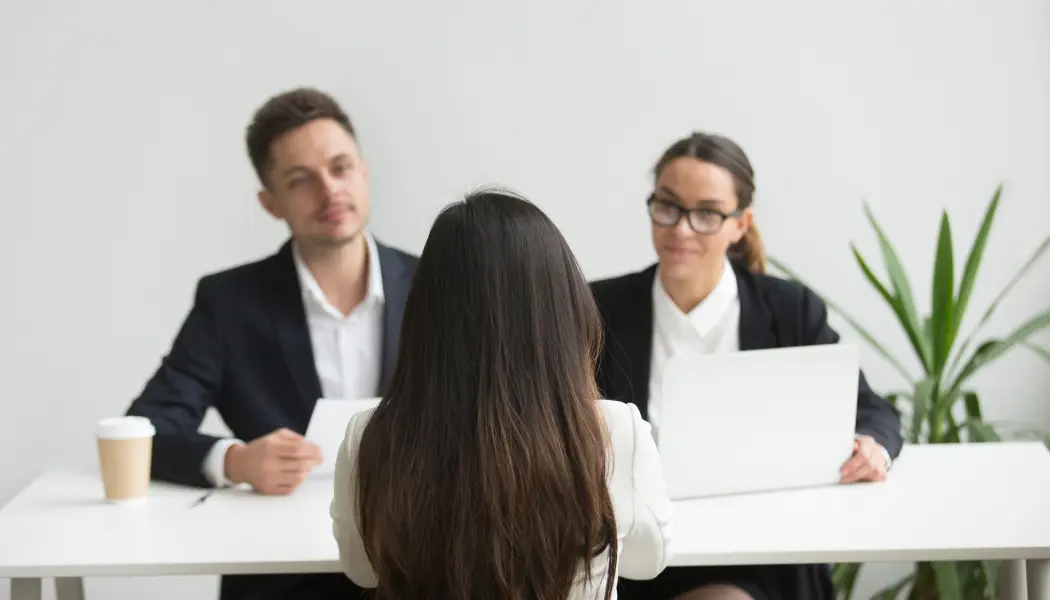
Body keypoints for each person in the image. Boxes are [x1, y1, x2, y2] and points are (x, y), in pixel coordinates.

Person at [126, 88, 417, 600]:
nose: (330, 192)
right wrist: (236, 461)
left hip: (416, 562)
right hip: (280, 573)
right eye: (301, 180)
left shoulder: (434, 285)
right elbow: (147, 429)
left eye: (341, 167)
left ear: (364, 171)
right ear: (270, 202)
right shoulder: (228, 301)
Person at [591, 132, 904, 600]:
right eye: (668, 206)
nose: (681, 229)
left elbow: (871, 409)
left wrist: (872, 447)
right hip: (645, 554)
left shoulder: (789, 309)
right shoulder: (601, 309)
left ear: (740, 224)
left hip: (765, 552)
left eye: (706, 214)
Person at [329, 190, 675, 600]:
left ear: (425, 314)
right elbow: (649, 562)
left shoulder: (369, 434)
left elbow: (361, 569)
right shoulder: (615, 431)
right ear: (563, 311)